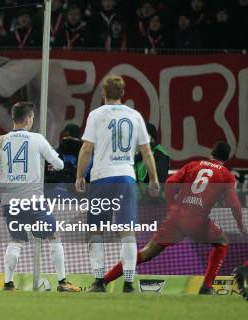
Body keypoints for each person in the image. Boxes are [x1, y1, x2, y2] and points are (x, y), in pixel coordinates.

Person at [103, 142, 247, 295]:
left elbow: (170, 183)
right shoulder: (226, 175)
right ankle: (206, 286)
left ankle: (102, 281)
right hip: (198, 220)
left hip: (176, 217)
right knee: (222, 242)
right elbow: (234, 204)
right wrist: (240, 225)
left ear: (211, 153)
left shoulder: (193, 165)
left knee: (147, 252)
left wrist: (171, 207)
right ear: (227, 157)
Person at [0, 102, 80, 292]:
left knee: (16, 239)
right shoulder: (37, 139)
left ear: (14, 119)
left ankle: (8, 284)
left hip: (9, 202)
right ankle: (63, 282)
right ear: (28, 119)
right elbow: (58, 165)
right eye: (32, 117)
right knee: (54, 235)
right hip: (32, 200)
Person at [75, 74, 160, 293]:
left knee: (96, 230)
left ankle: (97, 281)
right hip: (125, 177)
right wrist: (154, 178)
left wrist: (79, 175)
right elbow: (146, 150)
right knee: (127, 231)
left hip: (102, 177)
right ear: (123, 93)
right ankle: (129, 282)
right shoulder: (135, 116)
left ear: (103, 93)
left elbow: (86, 148)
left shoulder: (96, 115)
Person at [134, 122, 169, 199]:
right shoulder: (138, 155)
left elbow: (160, 181)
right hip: (139, 200)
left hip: (152, 201)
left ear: (151, 137)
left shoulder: (160, 154)